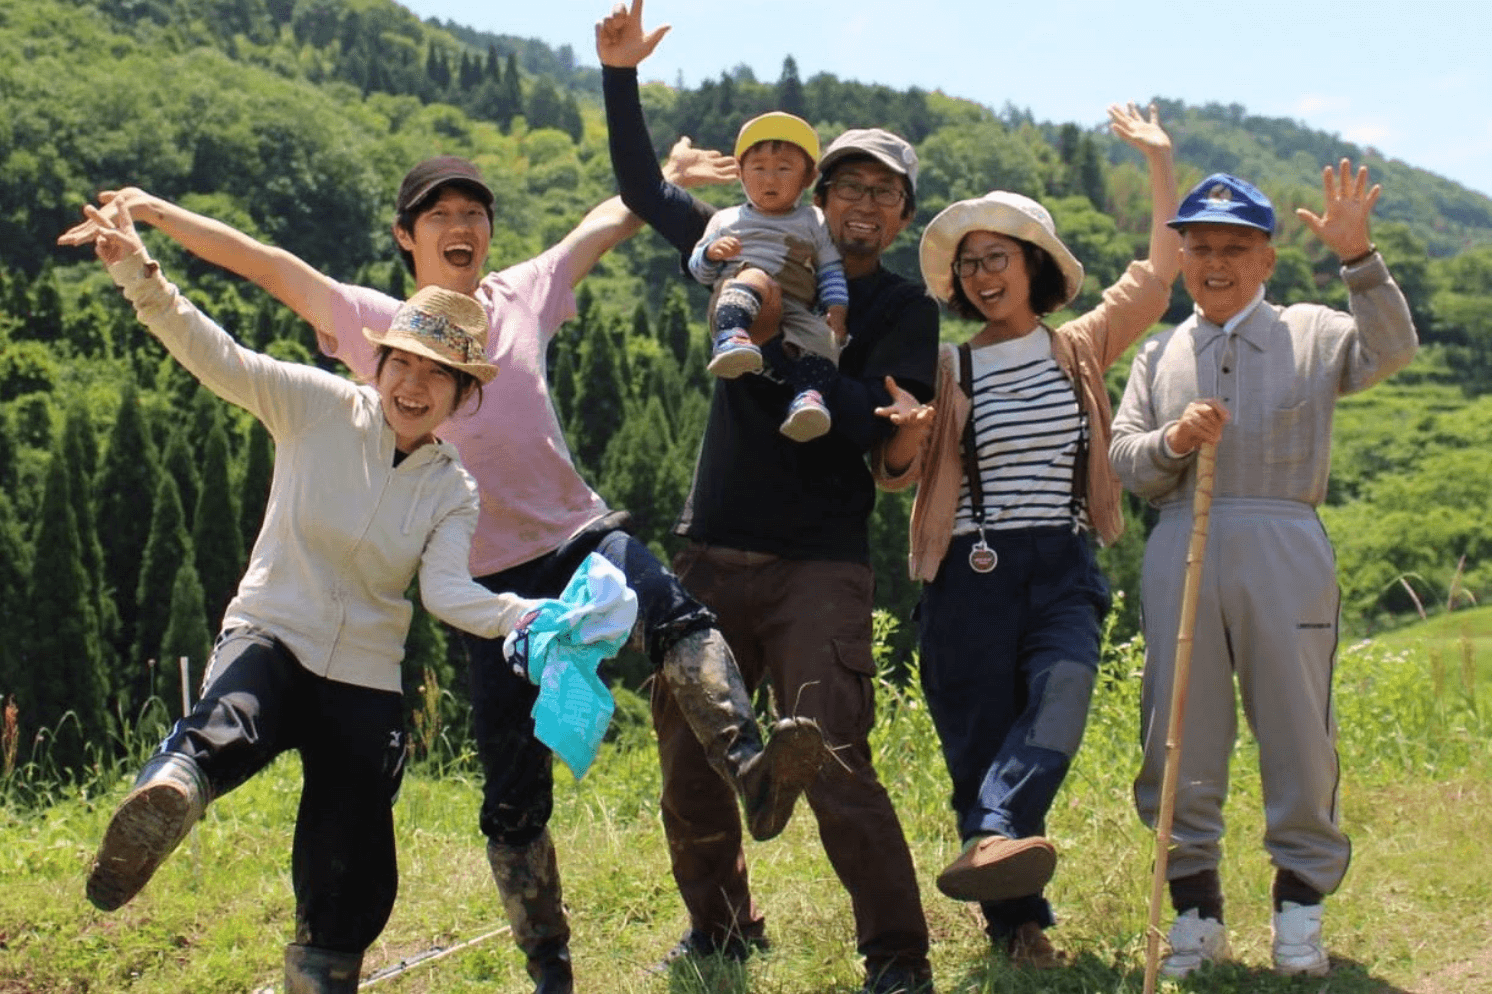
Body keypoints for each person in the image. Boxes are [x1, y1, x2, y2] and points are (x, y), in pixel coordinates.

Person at [59, 157, 828, 994]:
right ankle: (550, 967)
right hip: (475, 584)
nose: (461, 227)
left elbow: (602, 226)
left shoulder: (508, 327)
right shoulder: (362, 342)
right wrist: (157, 221)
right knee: (511, 795)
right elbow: (265, 270)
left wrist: (660, 177)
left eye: (475, 212)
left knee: (678, 618)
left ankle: (751, 766)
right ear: (405, 239)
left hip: (572, 543)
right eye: (439, 215)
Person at [71, 200, 586, 994]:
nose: (414, 385)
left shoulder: (454, 491)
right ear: (377, 363)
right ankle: (172, 789)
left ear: (462, 394)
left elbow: (449, 593)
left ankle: (322, 973)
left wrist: (527, 615)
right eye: (402, 364)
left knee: (353, 852)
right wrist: (138, 276)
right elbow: (217, 355)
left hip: (365, 680)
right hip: (274, 629)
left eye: (436, 374)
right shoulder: (314, 405)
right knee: (237, 712)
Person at [596, 4, 939, 992]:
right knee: (688, 757)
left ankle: (896, 955)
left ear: (904, 213)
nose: (865, 204)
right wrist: (619, 77)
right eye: (849, 187)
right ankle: (720, 927)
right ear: (819, 195)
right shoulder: (743, 239)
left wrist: (790, 355)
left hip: (821, 563)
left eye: (886, 192)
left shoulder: (901, 309)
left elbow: (880, 419)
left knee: (830, 756)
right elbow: (639, 189)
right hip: (711, 551)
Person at [870, 104, 1180, 968]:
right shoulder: (948, 365)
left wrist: (1159, 163)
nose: (979, 275)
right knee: (977, 740)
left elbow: (1158, 278)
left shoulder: (1077, 347)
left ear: (1032, 265)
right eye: (968, 265)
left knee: (1061, 700)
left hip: (1062, 563)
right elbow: (895, 470)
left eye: (995, 258)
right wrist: (909, 429)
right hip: (967, 571)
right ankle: (1020, 929)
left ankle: (999, 835)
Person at [1109, 162, 1417, 978]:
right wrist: (1173, 441)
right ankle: (1196, 914)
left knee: (1296, 725)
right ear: (1181, 257)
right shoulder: (1158, 352)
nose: (1215, 261)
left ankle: (1299, 910)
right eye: (1199, 246)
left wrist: (1361, 261)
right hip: (1180, 539)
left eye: (1235, 247)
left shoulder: (1314, 330)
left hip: (1284, 535)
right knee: (1177, 727)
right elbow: (1125, 459)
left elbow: (1392, 348)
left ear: (1267, 260)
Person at [689, 110, 848, 441]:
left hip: (795, 306)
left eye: (784, 169)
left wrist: (836, 308)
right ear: (741, 174)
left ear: (808, 178)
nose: (770, 179)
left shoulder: (813, 220)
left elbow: (830, 267)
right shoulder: (726, 219)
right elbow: (700, 272)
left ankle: (809, 397)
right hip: (740, 297)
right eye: (758, 169)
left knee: (824, 342)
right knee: (756, 279)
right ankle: (731, 337)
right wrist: (712, 254)